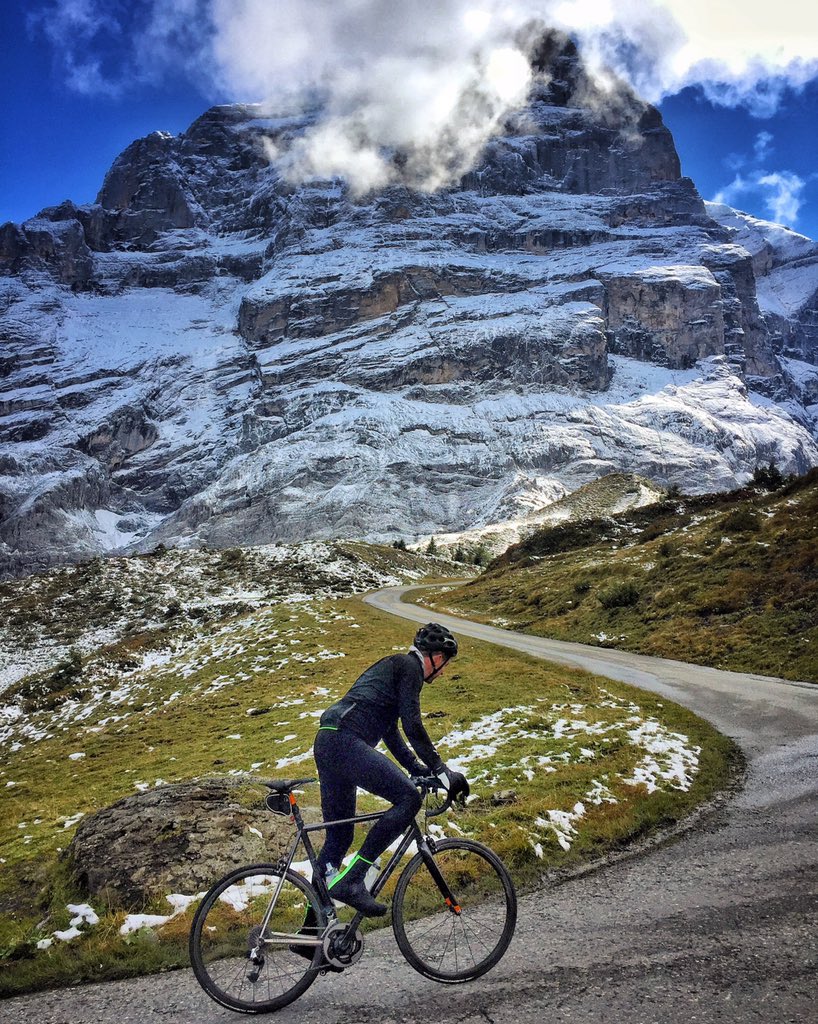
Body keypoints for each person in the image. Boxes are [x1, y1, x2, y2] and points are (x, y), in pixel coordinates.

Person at [311, 621, 469, 917]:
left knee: (339, 838)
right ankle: (354, 879)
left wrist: (417, 767)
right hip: (344, 740)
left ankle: (312, 930)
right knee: (409, 799)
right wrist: (442, 771)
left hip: (328, 741)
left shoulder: (394, 668)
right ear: (434, 656)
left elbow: (391, 732)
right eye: (445, 661)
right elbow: (412, 724)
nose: (444, 670)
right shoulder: (409, 667)